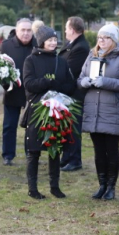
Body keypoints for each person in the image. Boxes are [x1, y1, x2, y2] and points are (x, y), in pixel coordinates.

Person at [77, 24, 119, 200]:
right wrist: (84, 82)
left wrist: (106, 82)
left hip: (112, 110)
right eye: (100, 37)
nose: (101, 40)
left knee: (111, 149)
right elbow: (80, 78)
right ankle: (101, 184)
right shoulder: (91, 56)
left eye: (106, 37)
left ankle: (111, 187)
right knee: (98, 150)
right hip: (93, 109)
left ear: (114, 40)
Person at [22, 26, 76, 200]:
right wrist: (46, 82)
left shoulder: (61, 61)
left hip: (57, 110)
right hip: (37, 110)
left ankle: (55, 186)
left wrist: (58, 87)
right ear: (41, 42)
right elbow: (29, 84)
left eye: (55, 39)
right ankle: (33, 188)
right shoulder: (30, 60)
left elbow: (70, 84)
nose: (53, 42)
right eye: (49, 40)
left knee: (55, 148)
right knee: (34, 150)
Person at [0, 18, 36, 166]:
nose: (26, 33)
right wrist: (6, 85)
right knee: (9, 125)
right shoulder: (7, 46)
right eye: (23, 30)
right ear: (16, 30)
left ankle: (31, 153)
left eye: (29, 30)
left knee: (32, 126)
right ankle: (8, 155)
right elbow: (0, 69)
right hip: (12, 92)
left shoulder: (37, 45)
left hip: (32, 93)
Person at [58, 16, 90, 172]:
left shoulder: (81, 48)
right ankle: (66, 157)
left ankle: (75, 159)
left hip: (75, 95)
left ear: (72, 29)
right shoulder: (72, 44)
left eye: (66, 27)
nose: (64, 30)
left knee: (73, 128)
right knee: (66, 127)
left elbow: (70, 70)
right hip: (66, 94)